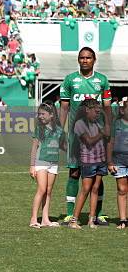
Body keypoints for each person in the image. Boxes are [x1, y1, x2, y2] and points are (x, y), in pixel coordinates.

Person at [59, 47, 112, 225]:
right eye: (82, 57)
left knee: (98, 174)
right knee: (74, 171)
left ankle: (99, 213)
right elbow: (65, 107)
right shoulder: (70, 80)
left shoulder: (102, 80)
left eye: (88, 58)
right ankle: (69, 213)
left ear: (94, 59)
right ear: (78, 60)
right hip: (77, 134)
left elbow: (106, 107)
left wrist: (108, 127)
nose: (85, 60)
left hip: (97, 135)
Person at [68, 99, 108, 229]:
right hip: (88, 160)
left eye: (99, 111)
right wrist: (102, 133)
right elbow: (89, 141)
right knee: (85, 190)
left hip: (100, 159)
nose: (98, 113)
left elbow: (108, 135)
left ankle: (91, 219)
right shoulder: (79, 123)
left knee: (95, 189)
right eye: (96, 111)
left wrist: (106, 119)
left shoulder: (98, 122)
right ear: (87, 110)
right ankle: (73, 220)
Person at [29, 101, 65, 228]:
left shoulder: (59, 130)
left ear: (51, 115)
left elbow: (62, 145)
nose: (40, 116)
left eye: (43, 114)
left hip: (53, 162)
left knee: (49, 191)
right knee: (42, 189)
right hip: (41, 161)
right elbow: (34, 147)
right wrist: (32, 165)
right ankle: (33, 219)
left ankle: (45, 219)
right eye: (39, 114)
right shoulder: (40, 128)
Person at [107, 97, 128, 229]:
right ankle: (123, 220)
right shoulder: (116, 124)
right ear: (122, 110)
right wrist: (109, 162)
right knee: (122, 189)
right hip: (119, 161)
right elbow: (110, 143)